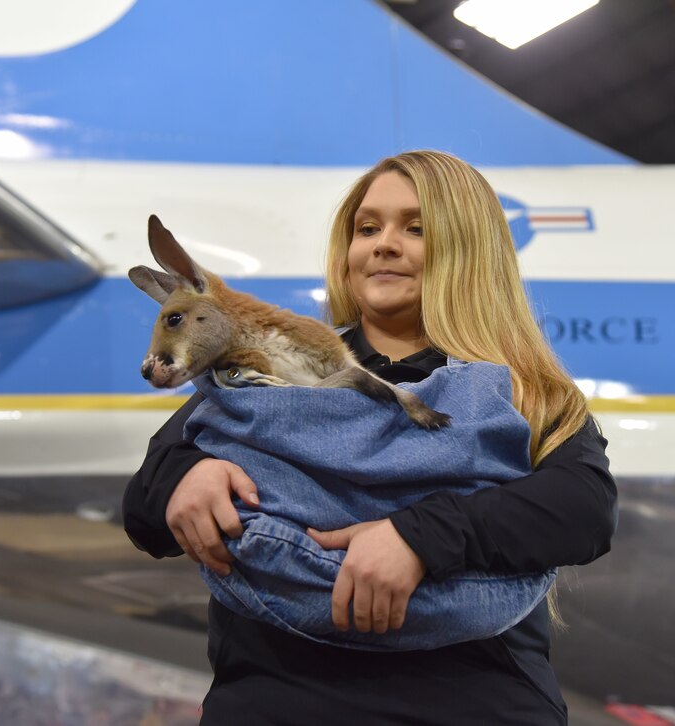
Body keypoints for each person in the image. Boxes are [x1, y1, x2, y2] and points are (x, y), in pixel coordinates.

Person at [123, 150, 617, 725]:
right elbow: (144, 514)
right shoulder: (259, 376)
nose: (383, 243)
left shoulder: (527, 389)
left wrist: (418, 538)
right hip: (279, 701)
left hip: (472, 705)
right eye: (367, 228)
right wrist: (187, 475)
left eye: (416, 227)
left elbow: (583, 511)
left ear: (469, 250)